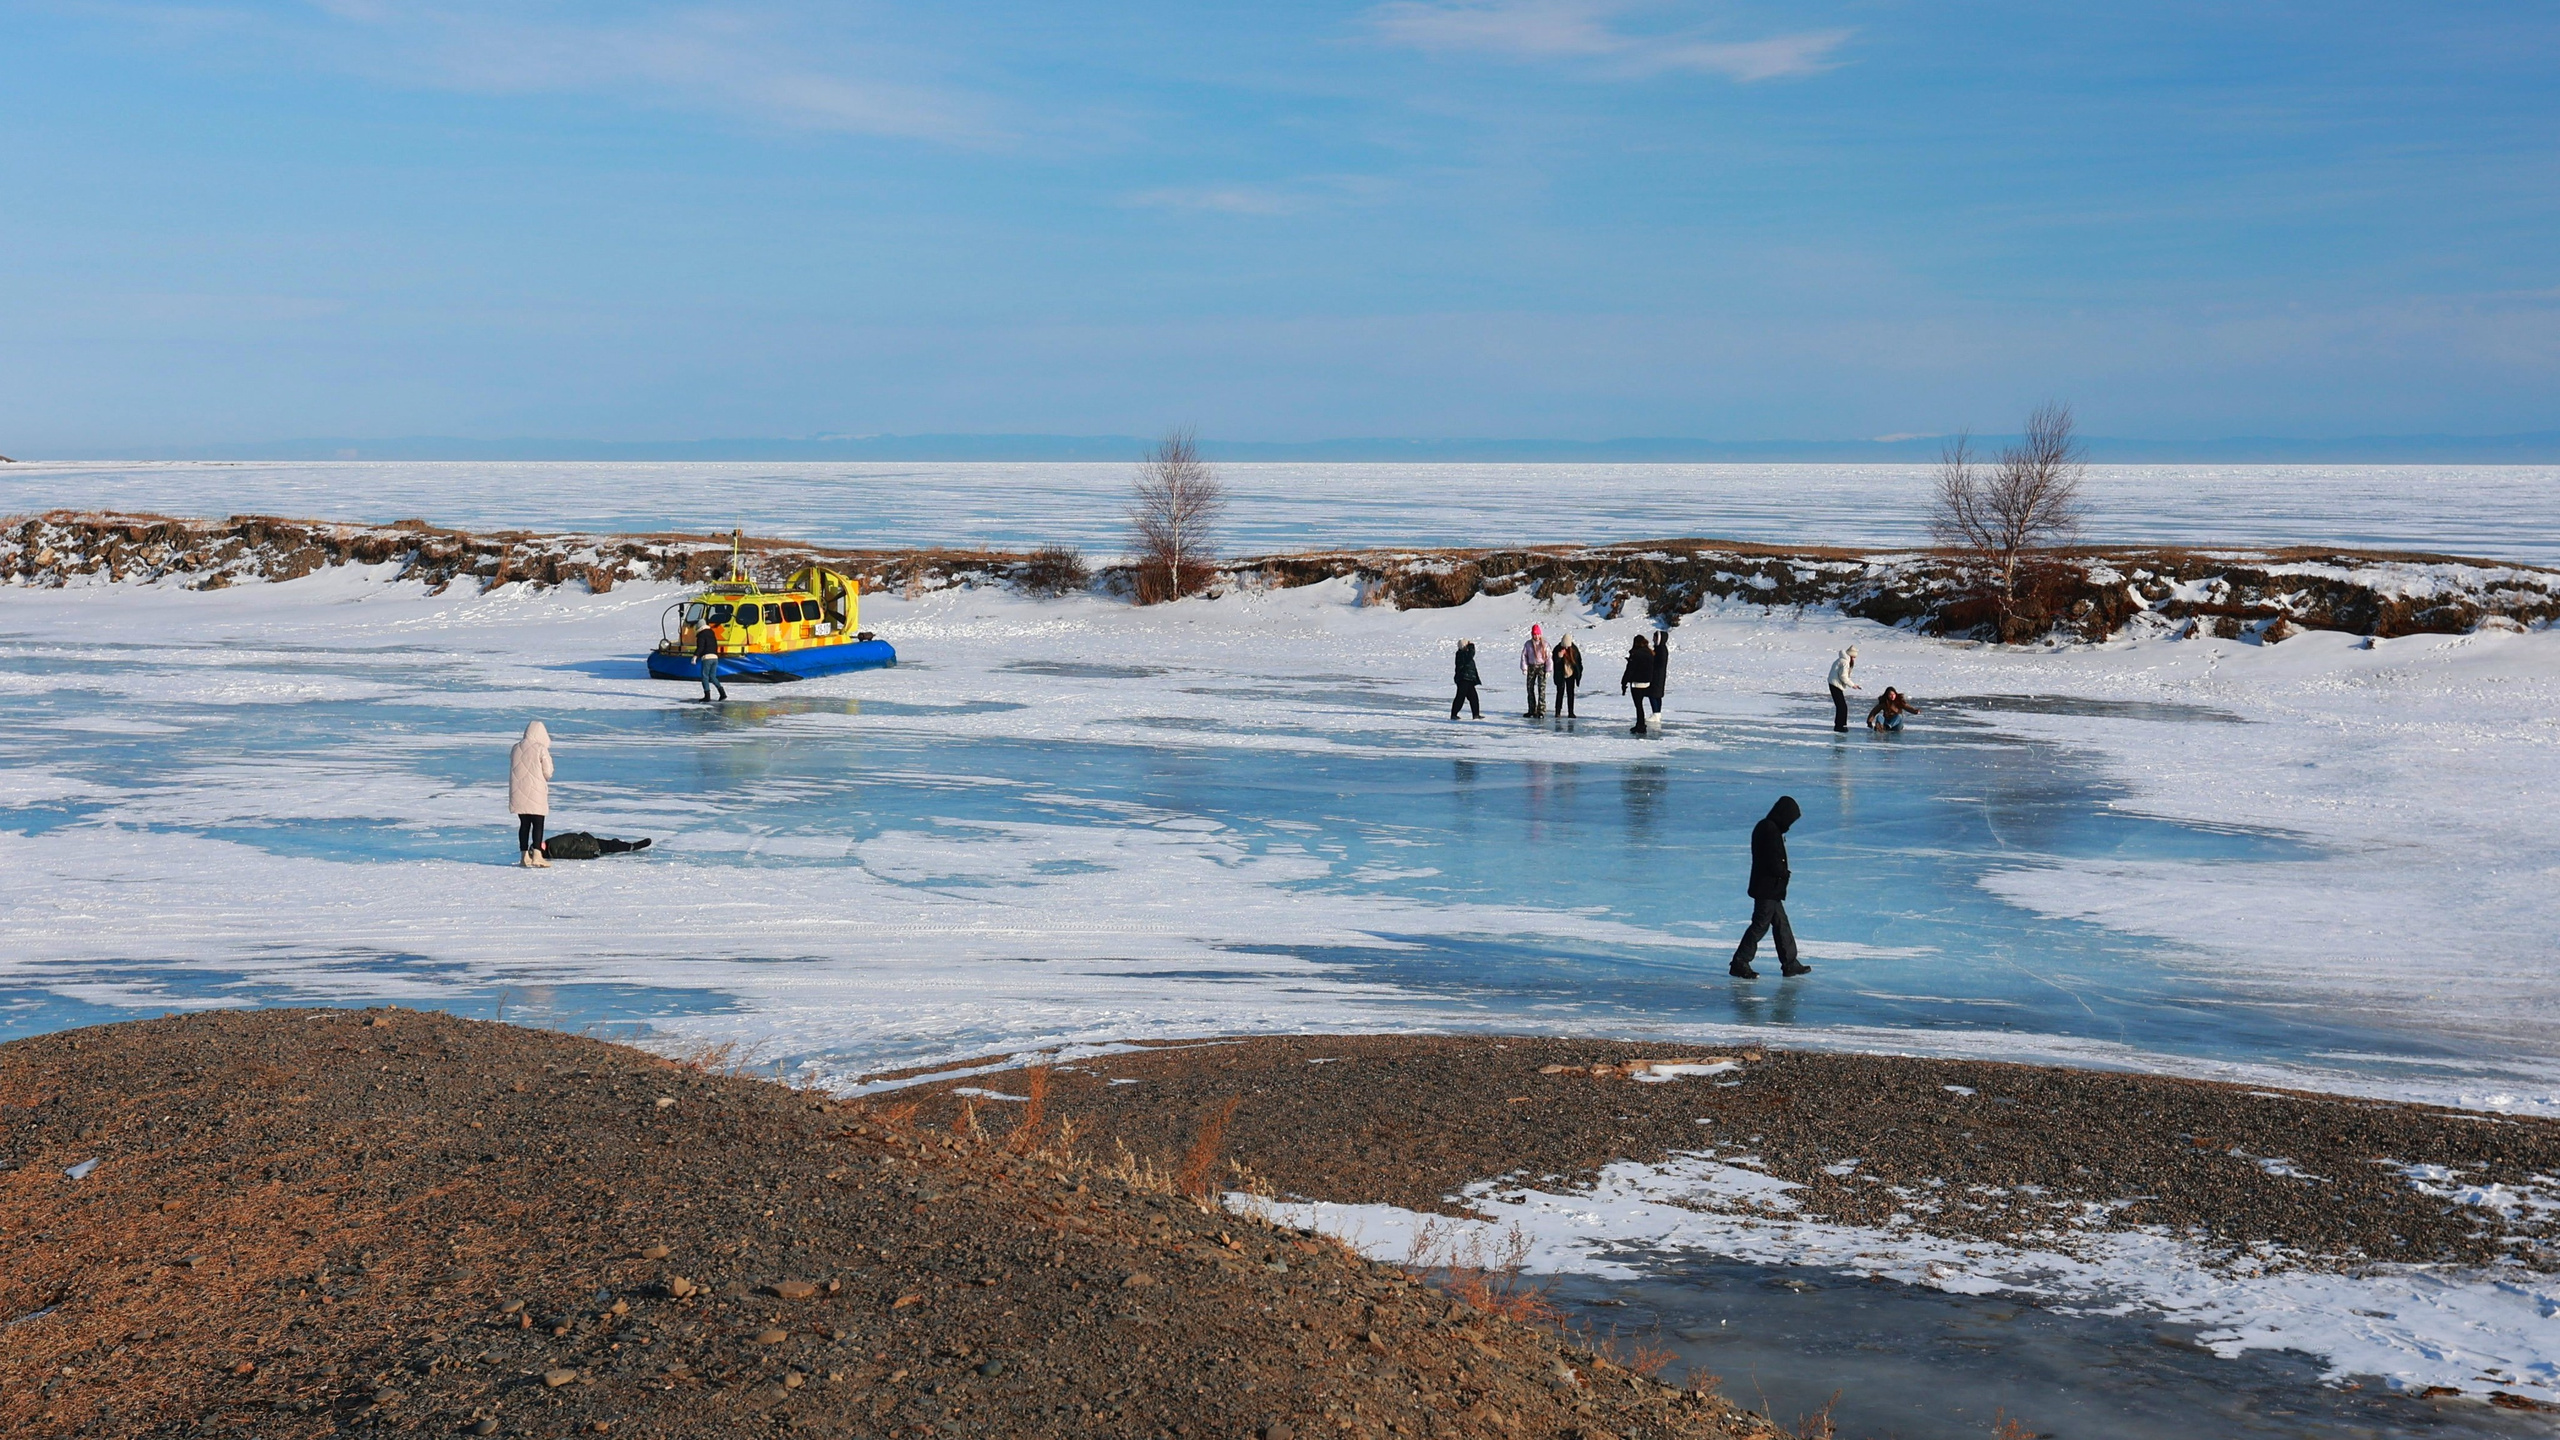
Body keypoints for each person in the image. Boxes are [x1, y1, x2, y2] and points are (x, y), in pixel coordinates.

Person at [1731, 795, 1810, 979]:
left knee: (1781, 924)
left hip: (1770, 888)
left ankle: (1790, 963)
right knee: (1760, 925)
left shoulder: (1768, 827)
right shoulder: (1769, 829)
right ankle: (1740, 961)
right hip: (1767, 887)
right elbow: (1771, 859)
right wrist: (1783, 873)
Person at [509, 720, 554, 868]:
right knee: (538, 823)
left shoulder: (516, 748)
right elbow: (548, 772)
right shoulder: (540, 749)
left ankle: (524, 856)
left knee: (524, 824)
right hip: (536, 791)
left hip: (518, 791)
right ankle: (537, 855)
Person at [1619, 635, 1655, 734]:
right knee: (1640, 705)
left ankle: (1641, 725)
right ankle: (1640, 724)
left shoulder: (1636, 654)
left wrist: (1624, 682)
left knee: (1638, 705)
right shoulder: (1650, 653)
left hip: (1637, 683)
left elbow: (1630, 670)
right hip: (1647, 682)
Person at [1826, 645, 1860, 731]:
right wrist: (1852, 685)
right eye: (1854, 657)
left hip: (1834, 683)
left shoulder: (1842, 660)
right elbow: (1843, 676)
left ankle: (1840, 725)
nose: (1854, 659)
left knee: (1841, 706)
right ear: (1851, 656)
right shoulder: (1845, 662)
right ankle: (1840, 726)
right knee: (1842, 706)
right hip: (1835, 684)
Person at [695, 619, 727, 703]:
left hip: (707, 657)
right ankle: (722, 693)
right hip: (715, 657)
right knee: (713, 677)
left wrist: (695, 656)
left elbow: (701, 647)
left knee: (705, 677)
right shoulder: (711, 633)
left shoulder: (701, 635)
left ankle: (707, 696)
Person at [1521, 625, 1550, 718]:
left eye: (1537, 634)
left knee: (1541, 689)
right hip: (1531, 667)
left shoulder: (1545, 644)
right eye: (1534, 634)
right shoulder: (1528, 644)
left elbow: (1549, 658)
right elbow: (1524, 656)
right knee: (1530, 688)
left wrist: (1548, 670)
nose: (1536, 636)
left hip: (1541, 667)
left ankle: (1541, 710)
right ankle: (1531, 710)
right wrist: (1524, 668)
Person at [1450, 639, 1483, 720]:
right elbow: (1470, 655)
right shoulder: (1461, 654)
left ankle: (1476, 715)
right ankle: (1454, 714)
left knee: (1473, 698)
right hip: (1463, 679)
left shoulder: (1463, 653)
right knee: (1460, 697)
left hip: (1469, 679)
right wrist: (1471, 646)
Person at [1552, 636, 1582, 718]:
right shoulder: (1557, 649)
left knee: (1570, 693)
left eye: (1567, 646)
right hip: (1561, 674)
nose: (1565, 647)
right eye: (1564, 645)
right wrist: (1559, 657)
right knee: (1560, 693)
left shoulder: (1574, 650)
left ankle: (1571, 712)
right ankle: (1557, 711)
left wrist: (1578, 674)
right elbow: (1554, 662)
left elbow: (1579, 663)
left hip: (1571, 674)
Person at [1646, 632, 1669, 722]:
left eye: (1654, 638)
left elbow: (1659, 663)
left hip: (1657, 675)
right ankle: (1657, 713)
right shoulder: (1659, 649)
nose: (1653, 640)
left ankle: (1656, 713)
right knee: (1656, 695)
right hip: (1658, 675)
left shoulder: (1661, 650)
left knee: (1653, 694)